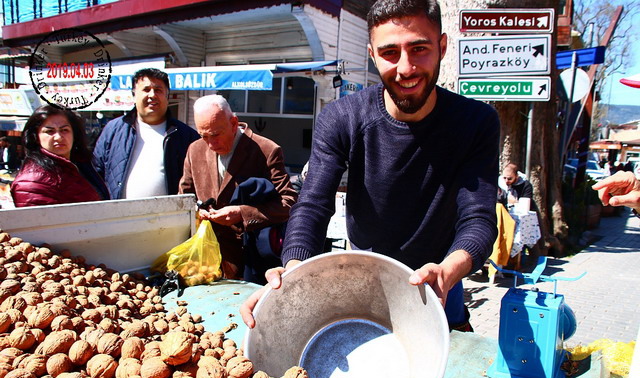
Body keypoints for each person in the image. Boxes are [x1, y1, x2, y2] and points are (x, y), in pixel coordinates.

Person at [241, 0, 500, 331]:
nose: (406, 68)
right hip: (363, 272)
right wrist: (293, 271)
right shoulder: (342, 117)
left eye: (419, 48)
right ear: (372, 55)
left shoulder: (476, 122)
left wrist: (449, 270)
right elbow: (313, 204)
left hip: (439, 279)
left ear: (442, 47)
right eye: (390, 52)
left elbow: (477, 218)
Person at [178, 95, 297, 281]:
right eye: (204, 136)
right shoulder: (195, 149)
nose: (210, 144)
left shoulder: (266, 150)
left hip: (250, 263)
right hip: (204, 263)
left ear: (234, 123)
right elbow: (184, 198)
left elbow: (289, 204)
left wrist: (242, 213)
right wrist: (196, 212)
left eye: (216, 135)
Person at [93, 68, 199, 199]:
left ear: (167, 96)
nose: (152, 95)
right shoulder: (113, 130)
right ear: (134, 94)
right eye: (146, 89)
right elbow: (95, 174)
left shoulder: (186, 136)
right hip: (118, 216)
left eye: (158, 90)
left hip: (170, 216)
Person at [11, 105, 109, 207]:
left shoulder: (82, 165)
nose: (58, 137)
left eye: (64, 130)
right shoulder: (32, 181)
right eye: (50, 131)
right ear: (35, 137)